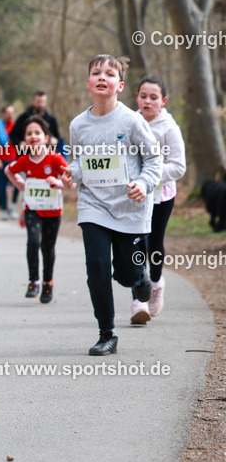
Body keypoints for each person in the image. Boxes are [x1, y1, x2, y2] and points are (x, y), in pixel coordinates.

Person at [63, 54, 162, 356]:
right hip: (93, 205)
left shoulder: (132, 121)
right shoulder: (79, 124)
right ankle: (107, 332)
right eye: (96, 73)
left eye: (109, 73)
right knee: (96, 267)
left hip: (130, 209)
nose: (102, 77)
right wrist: (72, 173)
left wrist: (143, 185)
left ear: (119, 85)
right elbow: (80, 161)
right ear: (89, 83)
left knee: (125, 274)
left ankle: (140, 279)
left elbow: (154, 159)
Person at [130, 74, 186, 324]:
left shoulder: (169, 128)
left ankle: (157, 283)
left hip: (161, 196)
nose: (148, 101)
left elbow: (178, 167)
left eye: (154, 97)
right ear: (137, 98)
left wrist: (150, 175)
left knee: (153, 243)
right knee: (135, 244)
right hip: (133, 195)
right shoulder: (129, 122)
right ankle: (139, 297)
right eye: (143, 96)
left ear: (163, 100)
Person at [4, 116, 68, 303]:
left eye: (37, 133)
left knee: (48, 247)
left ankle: (48, 282)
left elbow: (70, 182)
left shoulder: (55, 158)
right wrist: (19, 183)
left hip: (53, 210)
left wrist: (58, 183)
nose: (33, 136)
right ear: (25, 139)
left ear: (46, 138)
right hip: (32, 208)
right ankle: (34, 281)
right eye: (29, 133)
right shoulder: (24, 160)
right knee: (33, 241)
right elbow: (9, 170)